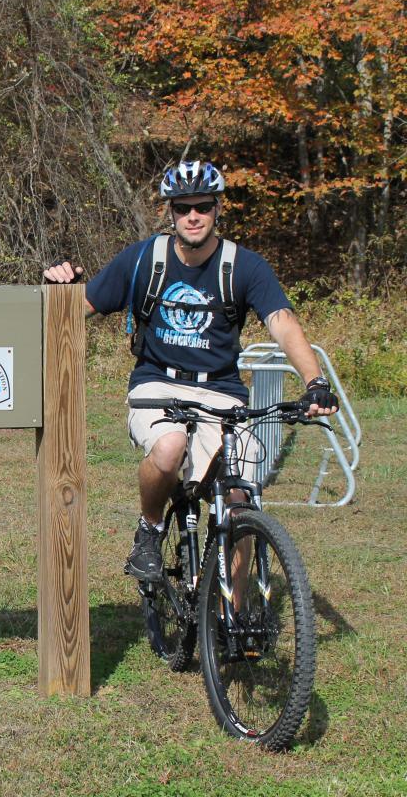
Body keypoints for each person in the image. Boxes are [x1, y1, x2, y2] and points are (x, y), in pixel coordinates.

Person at [42, 160, 338, 583]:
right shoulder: (145, 259)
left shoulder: (244, 266)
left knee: (238, 498)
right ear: (171, 212)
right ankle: (150, 527)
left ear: (218, 209)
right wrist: (63, 288)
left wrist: (316, 382)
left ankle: (236, 621)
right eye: (183, 208)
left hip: (221, 391)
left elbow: (282, 323)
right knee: (168, 448)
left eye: (202, 206)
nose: (193, 216)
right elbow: (80, 309)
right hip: (157, 384)